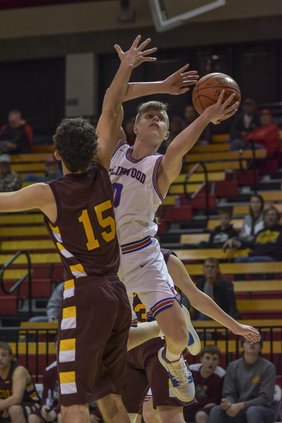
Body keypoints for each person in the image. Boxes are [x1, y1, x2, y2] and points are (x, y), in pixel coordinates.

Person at [0, 35, 160, 423]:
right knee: (106, 392)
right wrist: (126, 65)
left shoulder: (47, 193)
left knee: (73, 399)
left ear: (56, 153)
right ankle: (156, 327)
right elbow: (111, 108)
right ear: (91, 150)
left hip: (85, 293)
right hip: (116, 291)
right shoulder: (103, 169)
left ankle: (159, 327)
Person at [110, 63, 241, 402]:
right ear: (134, 125)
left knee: (179, 336)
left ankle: (173, 360)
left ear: (167, 133)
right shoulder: (114, 149)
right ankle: (156, 329)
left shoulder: (161, 165)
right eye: (149, 116)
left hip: (143, 256)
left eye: (162, 119)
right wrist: (161, 88)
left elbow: (180, 147)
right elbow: (115, 95)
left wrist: (206, 115)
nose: (155, 119)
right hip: (108, 260)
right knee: (111, 345)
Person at [123, 250, 260, 423]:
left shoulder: (163, 258)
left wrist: (234, 326)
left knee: (168, 414)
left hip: (160, 344)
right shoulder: (107, 258)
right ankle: (180, 323)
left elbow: (195, 296)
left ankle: (177, 332)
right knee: (128, 416)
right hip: (130, 342)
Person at [208, 337, 277, 423]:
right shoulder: (232, 366)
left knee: (253, 411)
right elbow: (229, 393)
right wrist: (228, 403)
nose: (252, 344)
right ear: (242, 346)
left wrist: (242, 405)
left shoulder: (268, 367)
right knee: (216, 410)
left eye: (256, 342)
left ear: (260, 347)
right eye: (248, 341)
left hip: (264, 410)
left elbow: (266, 398)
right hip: (238, 409)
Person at [0, 341, 41, 423]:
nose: (0, 358)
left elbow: (17, 399)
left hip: (31, 404)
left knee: (14, 409)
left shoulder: (19, 371)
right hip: (6, 404)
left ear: (10, 357)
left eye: (3, 355)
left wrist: (4, 405)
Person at [183, 345, 225, 423]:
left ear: (219, 361)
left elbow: (217, 399)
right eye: (207, 358)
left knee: (201, 415)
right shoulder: (191, 371)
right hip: (191, 405)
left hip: (208, 407)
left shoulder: (221, 375)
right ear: (201, 359)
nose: (211, 362)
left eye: (214, 359)